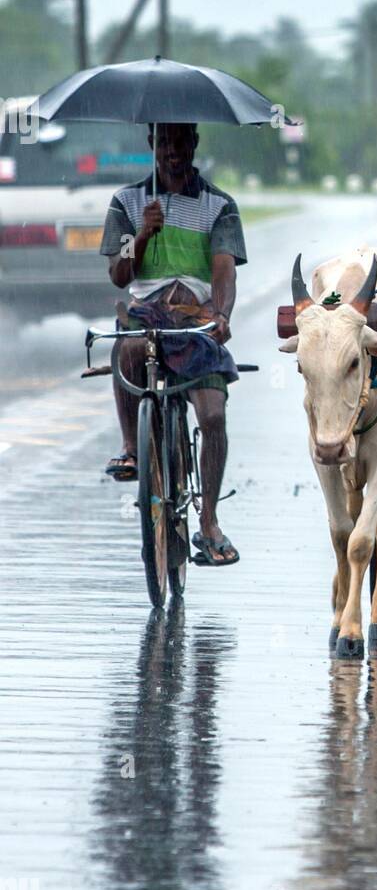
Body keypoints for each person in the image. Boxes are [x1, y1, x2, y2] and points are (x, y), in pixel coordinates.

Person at [99, 122, 247, 566]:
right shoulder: (126, 203)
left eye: (181, 142)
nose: (173, 152)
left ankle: (209, 522)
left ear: (194, 144)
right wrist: (142, 235)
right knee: (126, 348)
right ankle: (131, 447)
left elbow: (224, 271)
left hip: (195, 321)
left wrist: (220, 315)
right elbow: (120, 276)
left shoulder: (220, 205)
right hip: (147, 314)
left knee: (213, 415)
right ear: (152, 146)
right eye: (165, 143)